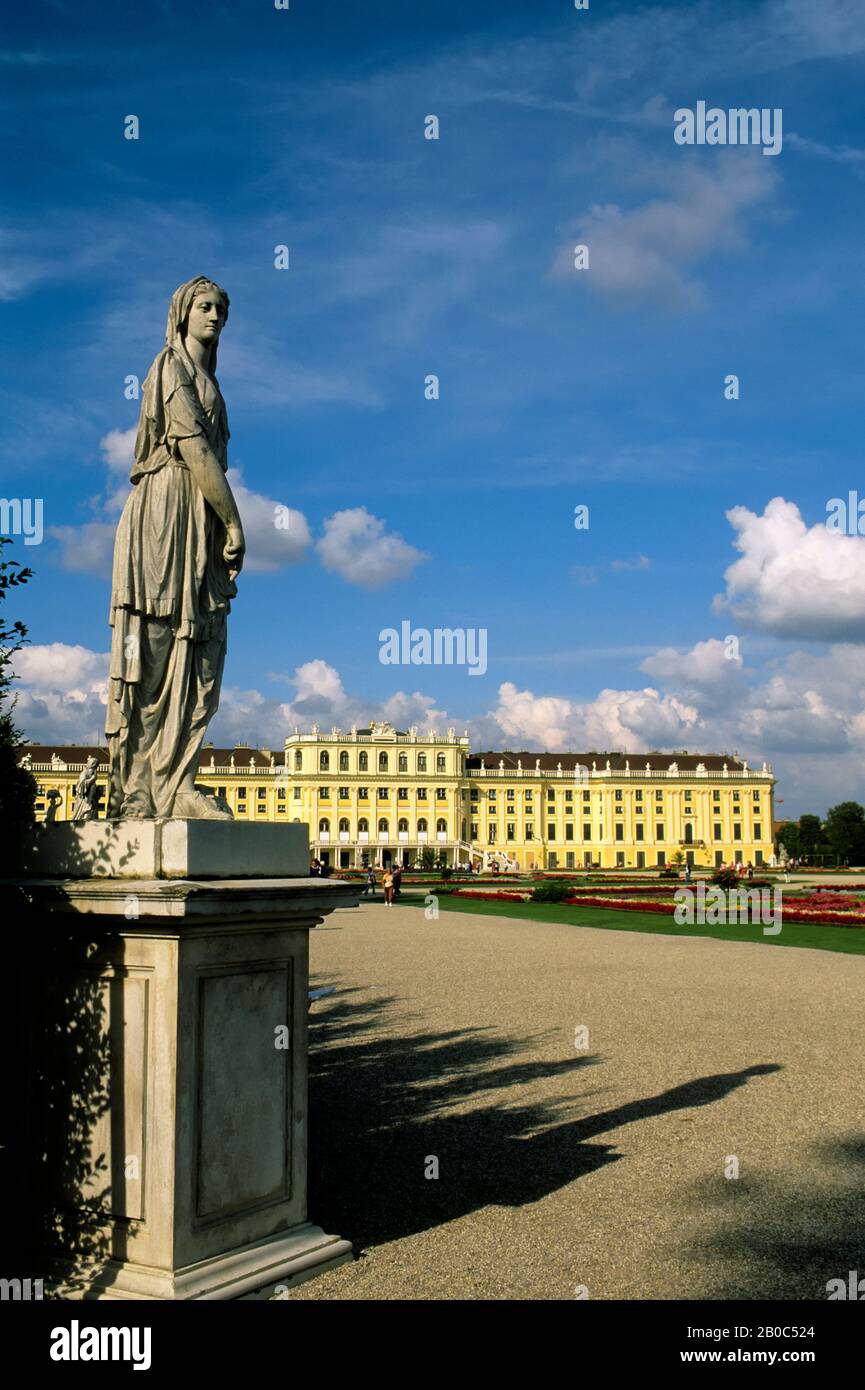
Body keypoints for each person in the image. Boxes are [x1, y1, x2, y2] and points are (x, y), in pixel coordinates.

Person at [105, 276, 245, 820]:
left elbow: (214, 463)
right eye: (204, 307)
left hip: (199, 523)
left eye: (220, 310)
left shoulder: (215, 387)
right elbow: (193, 451)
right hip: (165, 514)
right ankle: (137, 785)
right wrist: (235, 523)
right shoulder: (169, 367)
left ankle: (178, 776)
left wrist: (218, 527)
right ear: (182, 314)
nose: (214, 316)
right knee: (156, 645)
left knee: (202, 651)